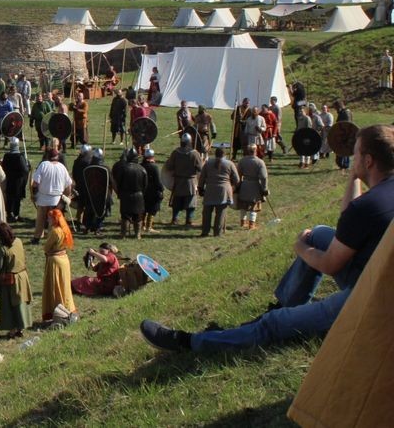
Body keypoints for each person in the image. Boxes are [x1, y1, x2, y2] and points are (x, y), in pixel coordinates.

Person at [142, 125, 394, 353]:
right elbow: (347, 226)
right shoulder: (374, 203)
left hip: (375, 300)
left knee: (273, 325)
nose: (352, 157)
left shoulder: (368, 208)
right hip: (380, 273)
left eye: (357, 153)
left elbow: (330, 264)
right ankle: (286, 304)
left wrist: (300, 248)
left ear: (369, 161)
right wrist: (354, 177)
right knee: (318, 233)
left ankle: (190, 342)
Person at [0, 222, 31, 337]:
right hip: (22, 276)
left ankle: (13, 328)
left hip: (10, 280)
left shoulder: (3, 249)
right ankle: (21, 326)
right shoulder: (19, 241)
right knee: (21, 302)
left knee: (10, 305)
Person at [31, 146, 73, 244]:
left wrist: (34, 193)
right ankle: (51, 238)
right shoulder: (62, 167)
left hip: (43, 198)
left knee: (40, 219)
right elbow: (69, 185)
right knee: (53, 221)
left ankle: (37, 237)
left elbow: (35, 183)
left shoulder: (43, 165)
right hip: (56, 199)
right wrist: (65, 197)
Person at [42, 208, 77, 323]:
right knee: (65, 286)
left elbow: (46, 247)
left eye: (49, 218)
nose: (48, 219)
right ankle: (68, 308)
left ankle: (59, 311)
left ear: (54, 219)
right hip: (64, 259)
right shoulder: (65, 228)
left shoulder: (55, 231)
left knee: (56, 287)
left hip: (55, 261)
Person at [198, 147, 240, 237]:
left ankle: (205, 231)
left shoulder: (208, 163)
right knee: (220, 212)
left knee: (207, 212)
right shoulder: (230, 164)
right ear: (224, 154)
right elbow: (237, 180)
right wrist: (234, 187)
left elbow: (202, 178)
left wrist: (200, 188)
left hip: (210, 189)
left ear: (215, 154)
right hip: (224, 190)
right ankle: (217, 232)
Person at [164, 133, 203, 226]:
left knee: (177, 201)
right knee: (190, 202)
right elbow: (200, 168)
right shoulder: (194, 154)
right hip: (190, 182)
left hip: (178, 181)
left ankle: (175, 219)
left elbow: (169, 167)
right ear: (190, 142)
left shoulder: (175, 153)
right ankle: (188, 220)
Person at [112, 149, 147, 239]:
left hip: (126, 195)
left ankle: (123, 234)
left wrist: (119, 193)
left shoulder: (123, 169)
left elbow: (118, 182)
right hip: (138, 195)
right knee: (138, 215)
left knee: (125, 215)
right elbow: (145, 184)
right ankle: (137, 234)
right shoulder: (142, 169)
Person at [235, 144, 268, 230]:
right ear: (256, 151)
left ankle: (242, 222)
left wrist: (237, 185)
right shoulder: (260, 162)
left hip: (244, 184)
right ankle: (251, 225)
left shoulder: (242, 161)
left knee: (243, 204)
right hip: (255, 185)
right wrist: (264, 188)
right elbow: (264, 177)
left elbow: (238, 174)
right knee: (254, 205)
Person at [2, 138, 30, 223]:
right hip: (18, 181)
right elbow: (25, 170)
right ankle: (15, 214)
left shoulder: (6, 156)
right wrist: (28, 165)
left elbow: (4, 167)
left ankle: (9, 214)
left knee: (10, 197)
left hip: (9, 180)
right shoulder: (19, 156)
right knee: (17, 198)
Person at [141, 148, 164, 233]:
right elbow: (157, 181)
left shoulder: (141, 165)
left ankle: (142, 225)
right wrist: (161, 189)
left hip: (143, 191)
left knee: (144, 208)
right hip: (153, 192)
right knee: (152, 209)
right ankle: (148, 227)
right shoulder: (154, 167)